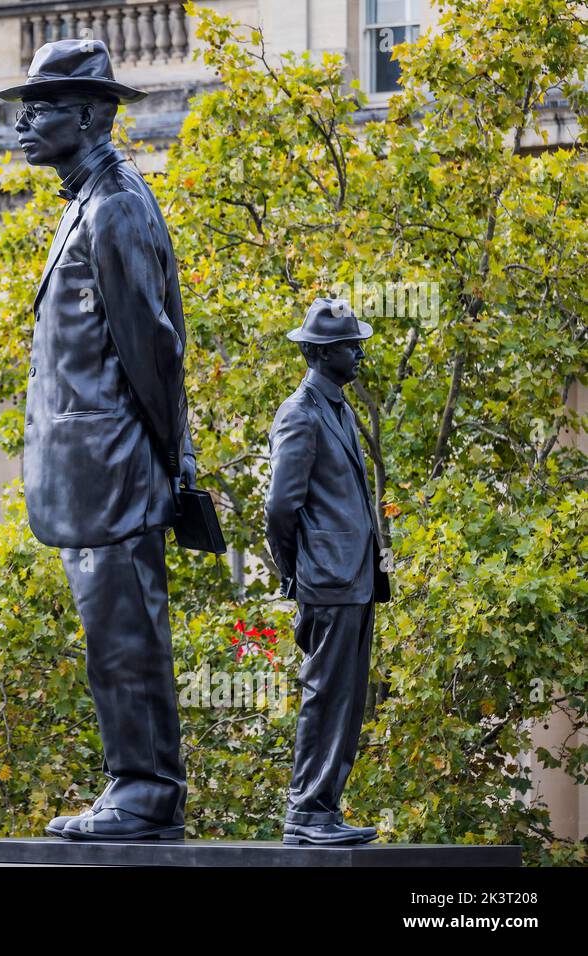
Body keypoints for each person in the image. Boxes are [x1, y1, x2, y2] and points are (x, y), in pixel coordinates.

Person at [0, 39, 197, 842]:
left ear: (85, 115)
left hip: (115, 470)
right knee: (111, 635)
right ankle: (136, 785)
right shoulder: (88, 201)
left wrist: (170, 461)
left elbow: (153, 347)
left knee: (125, 637)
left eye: (39, 109)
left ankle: (145, 793)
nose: (25, 125)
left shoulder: (114, 204)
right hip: (94, 472)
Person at [264, 297, 391, 845]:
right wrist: (299, 571)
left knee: (346, 698)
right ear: (320, 353)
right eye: (348, 344)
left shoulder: (338, 407)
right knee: (325, 696)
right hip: (328, 580)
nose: (359, 352)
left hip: (355, 581)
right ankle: (306, 813)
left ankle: (324, 809)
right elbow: (279, 510)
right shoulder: (301, 413)